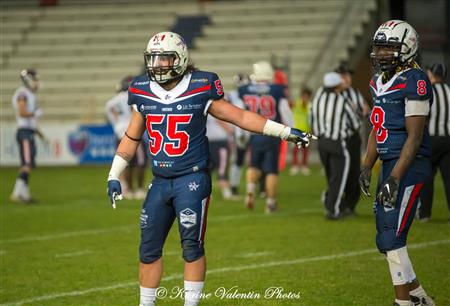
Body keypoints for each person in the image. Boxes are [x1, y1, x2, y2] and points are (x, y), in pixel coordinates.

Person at [105, 31, 315, 306]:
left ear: (179, 60)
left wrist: (284, 131)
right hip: (159, 181)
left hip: (191, 179)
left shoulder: (202, 84)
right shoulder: (141, 89)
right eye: (153, 59)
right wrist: (114, 174)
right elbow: (132, 137)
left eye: (164, 59)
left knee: (191, 246)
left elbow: (239, 116)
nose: (156, 65)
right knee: (148, 249)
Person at [359, 20, 435, 306]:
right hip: (389, 164)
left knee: (393, 234)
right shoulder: (378, 81)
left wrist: (395, 176)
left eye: (389, 48)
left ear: (408, 48)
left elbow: (414, 138)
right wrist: (367, 165)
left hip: (409, 165)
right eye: (379, 47)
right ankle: (418, 296)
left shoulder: (415, 79)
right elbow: (376, 129)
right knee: (384, 236)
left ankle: (404, 302)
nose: (382, 54)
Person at [240, 61, 295, 214]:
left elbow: (241, 113)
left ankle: (250, 189)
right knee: (271, 170)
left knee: (253, 165)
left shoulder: (245, 89)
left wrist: (242, 133)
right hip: (271, 132)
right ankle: (270, 204)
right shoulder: (276, 90)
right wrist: (291, 132)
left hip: (253, 132)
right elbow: (286, 113)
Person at [310, 72, 360, 219]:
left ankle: (331, 202)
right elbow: (356, 124)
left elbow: (311, 118)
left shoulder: (318, 98)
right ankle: (334, 209)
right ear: (338, 85)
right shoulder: (342, 100)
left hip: (321, 143)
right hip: (337, 143)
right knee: (338, 178)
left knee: (332, 176)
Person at [105, 75, 147, 200]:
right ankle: (138, 189)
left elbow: (112, 118)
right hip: (133, 133)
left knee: (125, 163)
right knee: (140, 163)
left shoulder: (110, 103)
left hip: (120, 133)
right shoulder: (132, 98)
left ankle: (128, 189)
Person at [419, 62, 450, 221]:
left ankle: (425, 214)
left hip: (431, 140)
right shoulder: (449, 92)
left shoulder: (428, 92)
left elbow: (423, 116)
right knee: (448, 178)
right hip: (448, 140)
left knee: (426, 177)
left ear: (431, 74)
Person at [10, 69, 46, 203]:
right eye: (35, 80)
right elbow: (22, 112)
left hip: (29, 131)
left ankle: (22, 193)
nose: (37, 83)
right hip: (24, 132)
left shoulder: (30, 94)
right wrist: (35, 114)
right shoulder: (22, 93)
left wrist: (40, 134)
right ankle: (18, 193)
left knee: (29, 164)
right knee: (27, 163)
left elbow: (31, 121)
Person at [227, 74, 251, 196]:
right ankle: (234, 185)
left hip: (252, 129)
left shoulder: (251, 95)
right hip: (240, 131)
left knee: (256, 160)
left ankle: (260, 185)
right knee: (239, 160)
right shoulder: (232, 95)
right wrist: (238, 132)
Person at [205, 114, 236, 200]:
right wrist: (232, 133)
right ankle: (227, 193)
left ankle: (206, 194)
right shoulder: (216, 108)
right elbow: (221, 121)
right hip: (219, 142)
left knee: (208, 169)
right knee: (222, 168)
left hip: (208, 141)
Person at [290, 87, 312, 176]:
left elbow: (311, 117)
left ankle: (304, 166)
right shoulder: (296, 103)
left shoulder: (309, 105)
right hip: (296, 130)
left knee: (305, 149)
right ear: (302, 96)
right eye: (304, 96)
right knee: (295, 149)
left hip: (306, 130)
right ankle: (295, 166)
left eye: (307, 96)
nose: (305, 98)